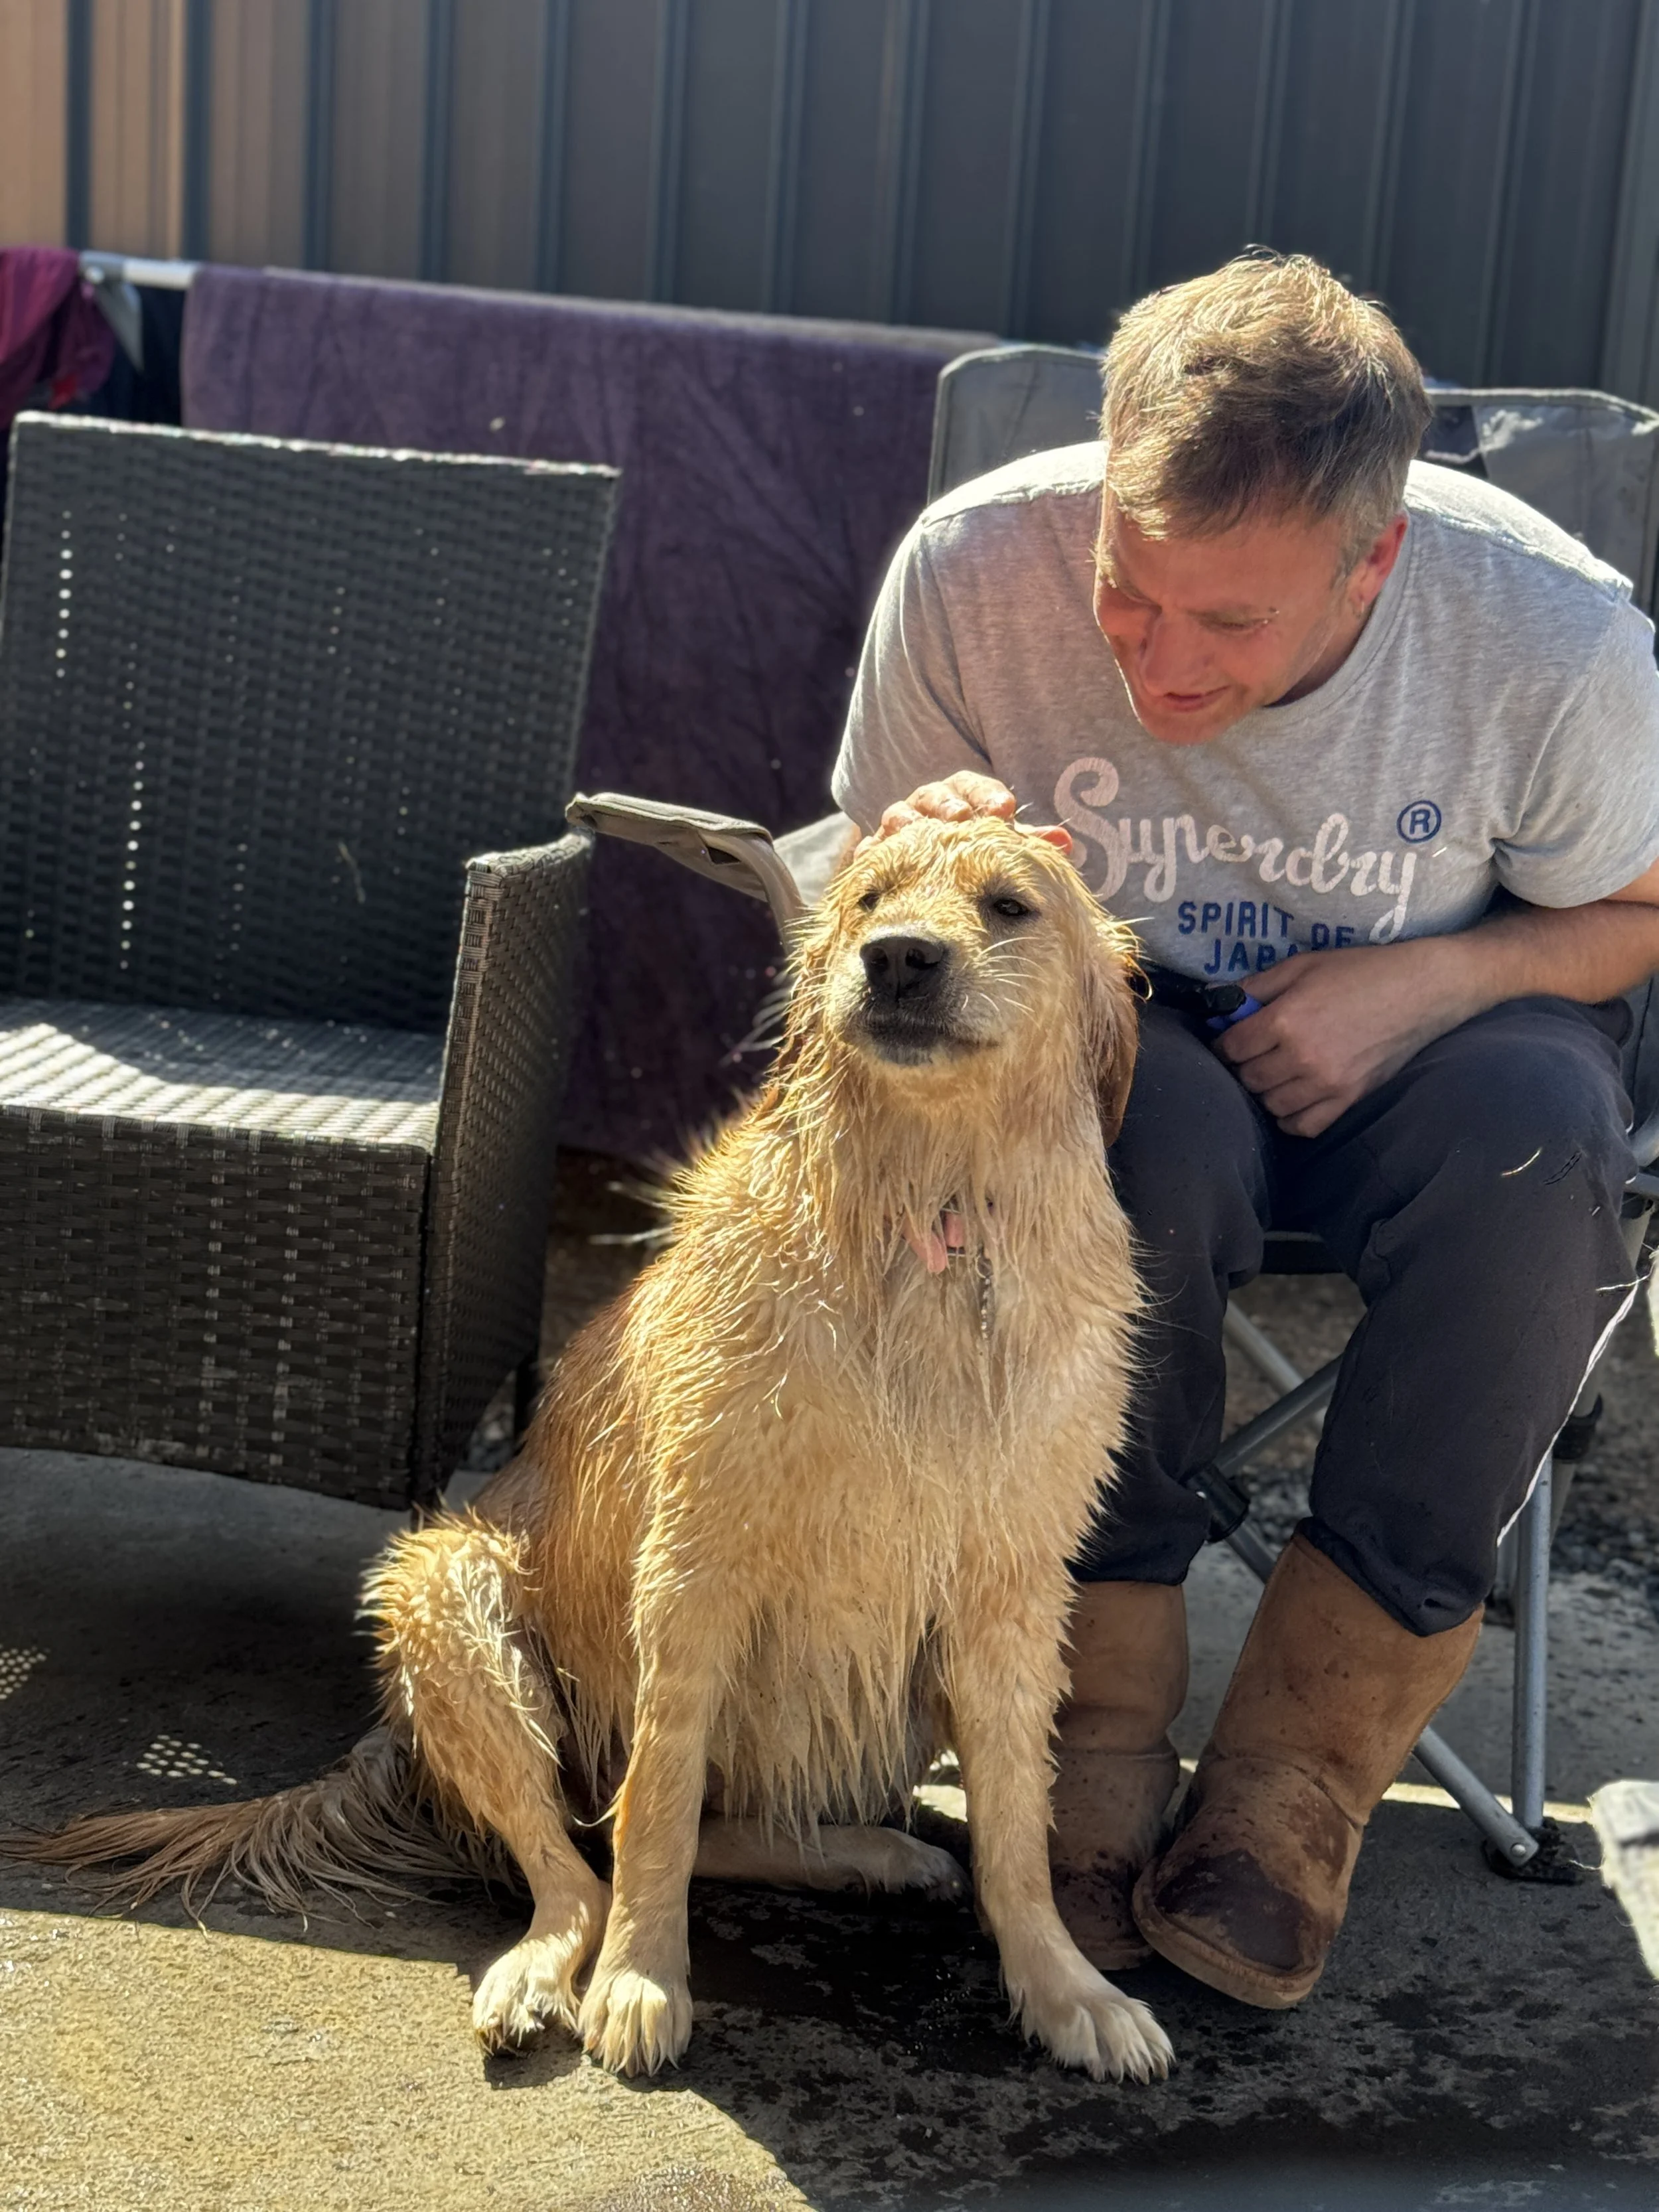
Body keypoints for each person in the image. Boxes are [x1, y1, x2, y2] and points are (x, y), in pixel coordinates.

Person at [831, 252, 1659, 2009]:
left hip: (1425, 1050)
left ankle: (1301, 1768)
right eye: (1129, 594)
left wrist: (1420, 984)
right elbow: (850, 897)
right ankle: (1091, 1713)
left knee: (1543, 1145)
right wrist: (907, 855)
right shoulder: (975, 566)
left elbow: (1636, 910)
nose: (1155, 659)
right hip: (1121, 1056)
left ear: (1378, 557)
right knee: (1128, 1127)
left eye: (1227, 623)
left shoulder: (1554, 637)